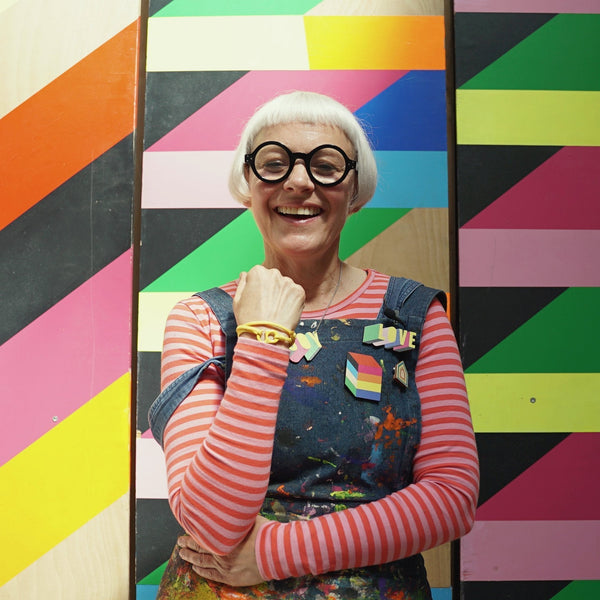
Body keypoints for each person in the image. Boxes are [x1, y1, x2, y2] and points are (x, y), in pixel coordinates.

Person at [149, 91, 479, 599]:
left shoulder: (415, 315)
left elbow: (451, 499)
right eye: (273, 164)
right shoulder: (201, 320)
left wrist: (274, 552)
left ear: (354, 191)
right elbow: (213, 523)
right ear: (248, 184)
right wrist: (262, 336)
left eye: (325, 166)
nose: (299, 182)